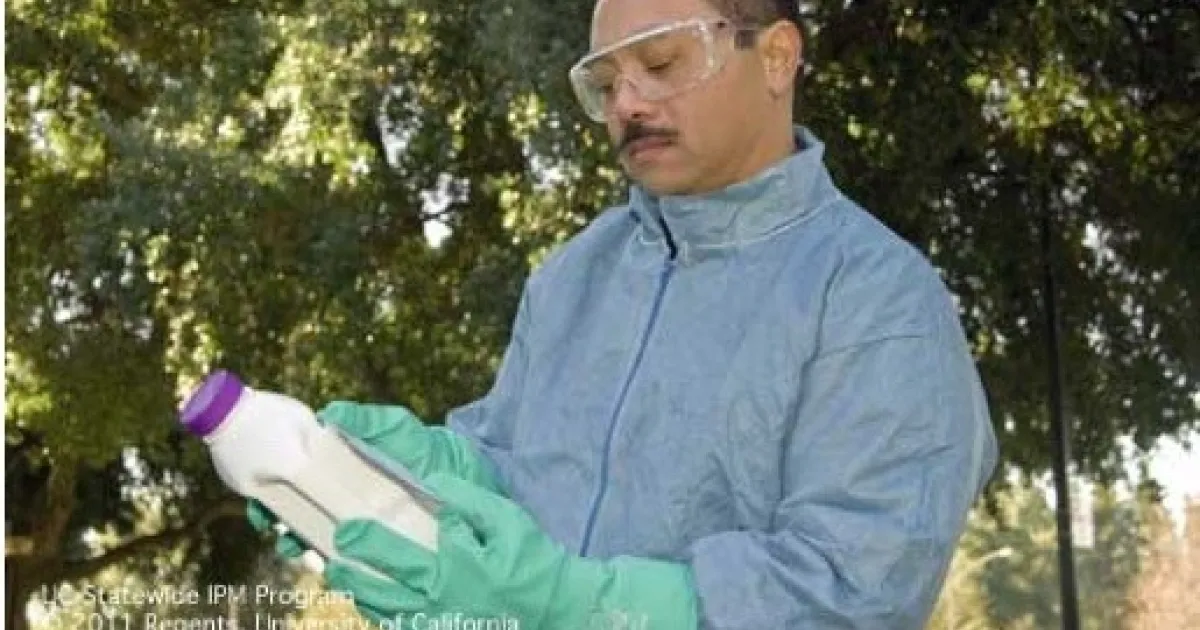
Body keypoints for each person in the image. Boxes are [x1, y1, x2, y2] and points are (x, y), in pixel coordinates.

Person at [250, 0, 999, 627]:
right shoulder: (574, 275)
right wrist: (410, 472)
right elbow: (512, 472)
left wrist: (573, 607)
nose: (627, 105)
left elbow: (850, 592)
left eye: (662, 64)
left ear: (775, 58)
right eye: (606, 83)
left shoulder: (878, 298)